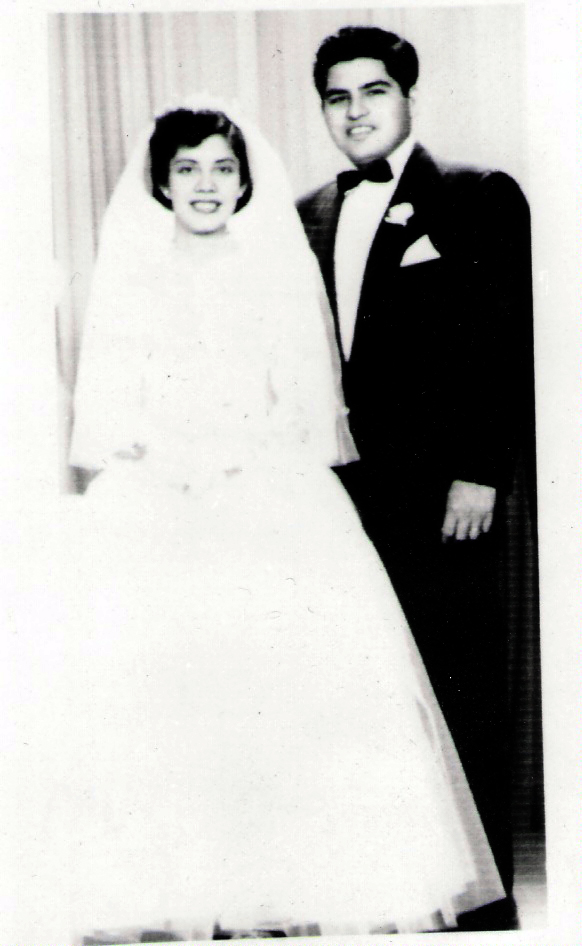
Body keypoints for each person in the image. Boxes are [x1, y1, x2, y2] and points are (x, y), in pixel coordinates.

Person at [5, 98, 506, 944]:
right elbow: (112, 398)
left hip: (264, 486)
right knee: (165, 694)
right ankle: (185, 890)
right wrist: (157, 456)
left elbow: (307, 397)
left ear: (243, 183)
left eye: (222, 169)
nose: (207, 185)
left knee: (286, 694)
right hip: (158, 492)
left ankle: (289, 891)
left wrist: (242, 455)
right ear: (161, 182)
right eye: (189, 169)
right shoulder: (130, 266)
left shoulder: (274, 261)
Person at [297, 26, 535, 931]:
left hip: (444, 502)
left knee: (460, 682)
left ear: (408, 96)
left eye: (374, 91)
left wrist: (480, 474)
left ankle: (481, 910)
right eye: (336, 96)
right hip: (340, 503)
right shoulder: (304, 212)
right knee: (361, 693)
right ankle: (391, 897)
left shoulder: (475, 197)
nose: (355, 111)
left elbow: (502, 344)